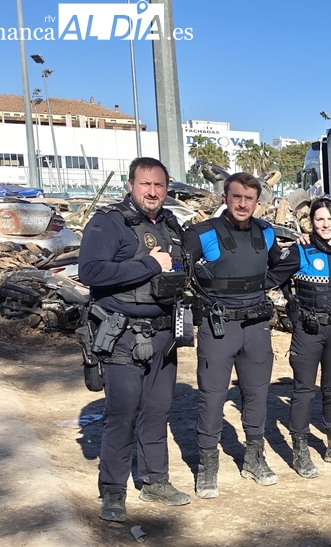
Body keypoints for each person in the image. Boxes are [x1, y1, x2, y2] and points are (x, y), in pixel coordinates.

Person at [78, 157, 190, 522]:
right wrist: (150, 265)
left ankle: (156, 481)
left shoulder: (171, 224)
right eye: (145, 184)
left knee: (157, 413)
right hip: (124, 335)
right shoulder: (109, 222)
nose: (153, 192)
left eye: (159, 186)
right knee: (122, 415)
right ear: (130, 185)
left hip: (163, 336)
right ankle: (113, 491)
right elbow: (91, 271)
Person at [184, 172, 284, 498]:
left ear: (258, 202)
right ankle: (207, 466)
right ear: (225, 197)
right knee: (212, 397)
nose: (243, 203)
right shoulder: (204, 233)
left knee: (256, 395)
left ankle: (254, 458)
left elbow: (276, 267)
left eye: (249, 198)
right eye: (237, 196)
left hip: (256, 328)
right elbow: (176, 267)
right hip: (218, 328)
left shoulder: (266, 233)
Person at [267, 197, 331, 477]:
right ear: (311, 222)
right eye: (319, 219)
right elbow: (273, 275)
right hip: (308, 332)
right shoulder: (302, 251)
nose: (325, 224)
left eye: (329, 219)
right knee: (304, 390)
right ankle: (300, 451)